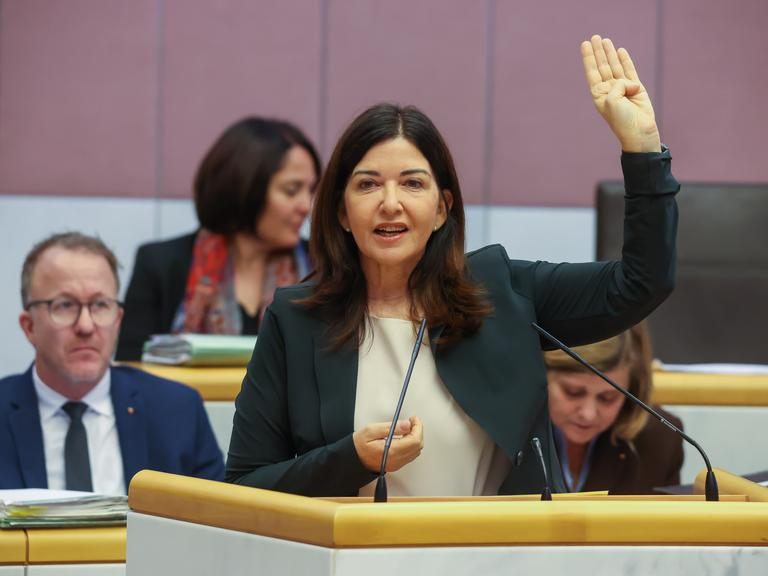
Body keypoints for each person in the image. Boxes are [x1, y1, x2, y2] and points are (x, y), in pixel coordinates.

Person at [225, 35, 679, 497]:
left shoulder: (501, 292)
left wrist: (642, 151)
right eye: (367, 185)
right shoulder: (298, 318)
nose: (390, 203)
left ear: (442, 208)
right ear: (342, 212)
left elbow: (641, 283)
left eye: (412, 184)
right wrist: (351, 461)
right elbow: (244, 485)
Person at [0, 232, 224, 493]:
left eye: (100, 305)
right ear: (29, 327)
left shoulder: (177, 411)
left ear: (118, 320)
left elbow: (217, 525)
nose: (86, 326)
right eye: (64, 306)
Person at [115, 117, 321, 360]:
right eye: (291, 190)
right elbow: (131, 370)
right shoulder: (161, 264)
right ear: (245, 186)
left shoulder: (323, 267)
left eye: (311, 190)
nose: (306, 206)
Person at [545, 323, 683, 494]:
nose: (588, 414)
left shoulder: (659, 438)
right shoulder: (505, 435)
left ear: (631, 389)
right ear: (540, 377)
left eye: (608, 398)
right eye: (573, 393)